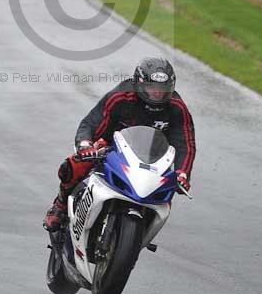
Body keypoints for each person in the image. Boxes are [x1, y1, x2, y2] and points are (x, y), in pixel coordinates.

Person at [43, 57, 196, 231]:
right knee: (74, 164)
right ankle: (60, 205)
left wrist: (182, 173)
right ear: (139, 83)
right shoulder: (120, 97)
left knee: (167, 187)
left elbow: (186, 143)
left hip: (153, 160)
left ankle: (144, 229)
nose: (157, 94)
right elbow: (91, 123)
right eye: (151, 88)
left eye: (162, 89)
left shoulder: (177, 108)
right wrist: (86, 145)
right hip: (110, 149)